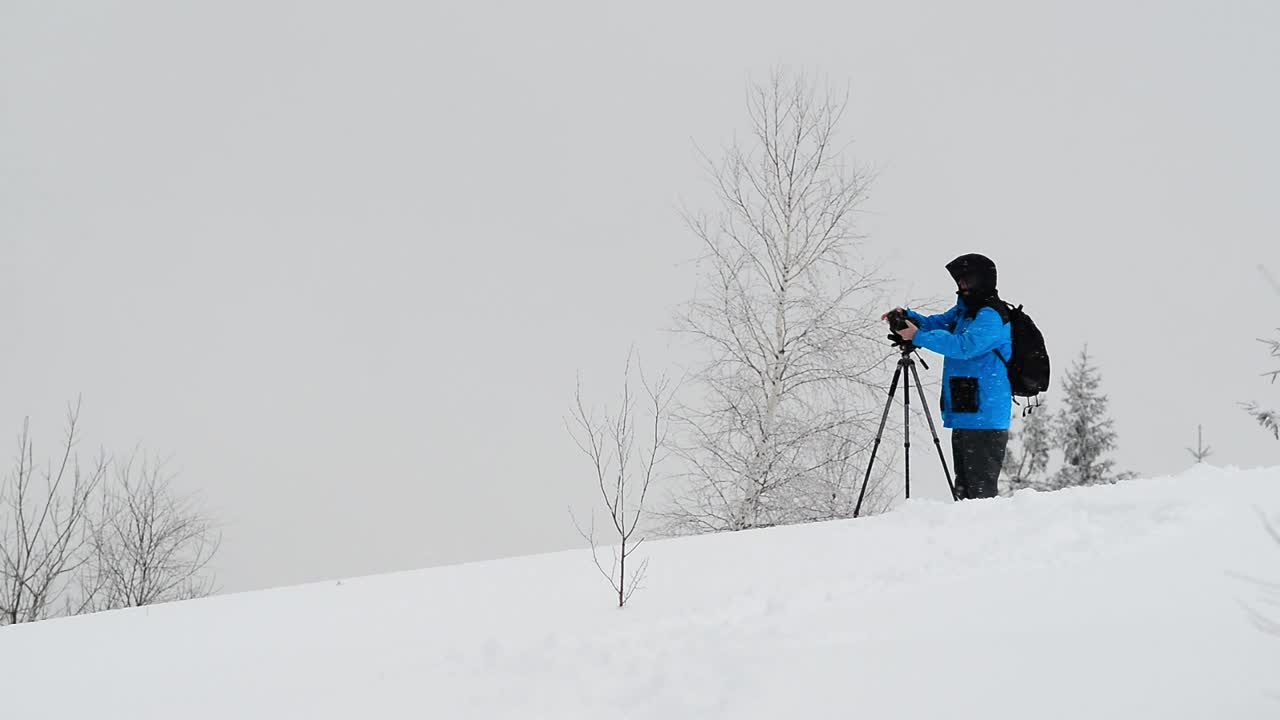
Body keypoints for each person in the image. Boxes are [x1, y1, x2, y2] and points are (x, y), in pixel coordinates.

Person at [883, 253, 1013, 499]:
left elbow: (964, 346)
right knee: (964, 490)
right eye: (960, 281)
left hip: (986, 415)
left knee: (980, 494)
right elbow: (936, 324)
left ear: (982, 280)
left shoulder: (992, 315)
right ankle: (964, 534)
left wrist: (917, 337)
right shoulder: (965, 311)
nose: (962, 286)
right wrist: (907, 317)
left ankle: (983, 535)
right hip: (967, 409)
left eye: (967, 280)